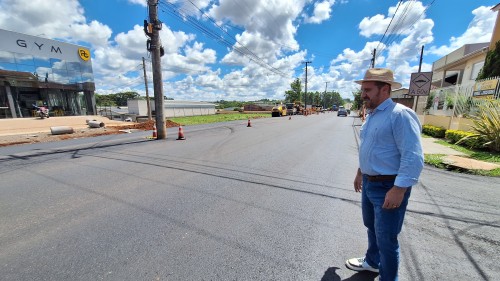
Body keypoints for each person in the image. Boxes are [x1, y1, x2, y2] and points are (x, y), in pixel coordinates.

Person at [345, 68, 424, 281]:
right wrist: (360, 173)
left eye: (368, 90)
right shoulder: (372, 115)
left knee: (387, 239)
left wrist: (399, 189)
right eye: (363, 89)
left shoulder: (400, 115)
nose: (363, 94)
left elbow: (413, 156)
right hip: (370, 183)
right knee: (371, 227)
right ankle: (373, 262)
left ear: (385, 89)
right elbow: (369, 147)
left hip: (389, 186)